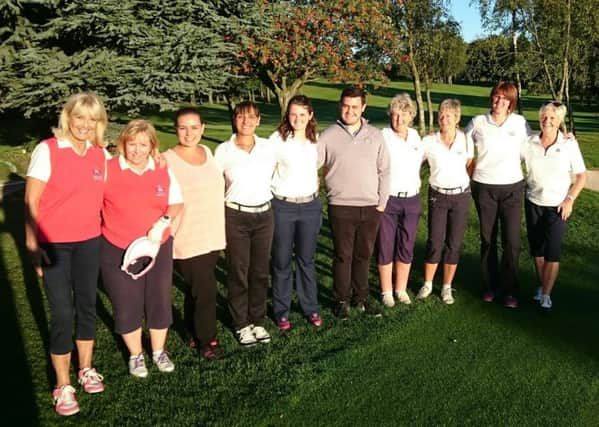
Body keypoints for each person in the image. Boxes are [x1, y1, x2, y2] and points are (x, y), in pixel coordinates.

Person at [25, 92, 108, 416]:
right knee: (62, 313)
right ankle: (63, 384)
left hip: (90, 241)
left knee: (87, 307)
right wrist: (33, 246)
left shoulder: (99, 155)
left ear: (98, 122)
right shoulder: (48, 150)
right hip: (54, 246)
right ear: (68, 117)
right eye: (79, 117)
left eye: (92, 119)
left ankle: (85, 368)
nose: (85, 125)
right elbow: (31, 202)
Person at [100, 119, 183, 378]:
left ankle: (158, 351)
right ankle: (136, 356)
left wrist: (163, 223)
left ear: (152, 146)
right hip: (117, 246)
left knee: (159, 299)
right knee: (126, 302)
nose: (136, 150)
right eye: (131, 144)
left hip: (157, 246)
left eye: (143, 144)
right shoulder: (107, 169)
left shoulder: (161, 168)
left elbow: (176, 202)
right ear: (123, 144)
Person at [318, 86, 390, 319]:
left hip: (370, 207)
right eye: (346, 106)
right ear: (341, 105)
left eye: (355, 107)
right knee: (343, 255)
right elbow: (313, 166)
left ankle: (361, 298)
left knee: (363, 255)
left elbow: (385, 171)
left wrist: (381, 204)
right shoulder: (328, 136)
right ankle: (341, 300)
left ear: (363, 108)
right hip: (341, 206)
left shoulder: (375, 135)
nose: (350, 111)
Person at [163, 107, 226, 360]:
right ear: (175, 129)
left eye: (194, 127)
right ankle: (207, 340)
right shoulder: (165, 159)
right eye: (182, 127)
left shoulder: (208, 153)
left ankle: (191, 331)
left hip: (212, 234)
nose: (189, 133)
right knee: (206, 291)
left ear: (203, 128)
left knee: (195, 290)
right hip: (187, 237)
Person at [214, 101, 276, 346]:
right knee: (238, 272)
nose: (246, 122)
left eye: (251, 117)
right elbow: (215, 184)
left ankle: (258, 321)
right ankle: (241, 323)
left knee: (260, 272)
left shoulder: (268, 147)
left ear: (259, 121)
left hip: (264, 215)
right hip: (235, 216)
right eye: (241, 117)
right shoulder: (223, 151)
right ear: (235, 120)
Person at [465, 81, 531, 308]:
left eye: (505, 98)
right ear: (491, 98)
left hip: (512, 188)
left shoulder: (520, 122)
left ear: (511, 102)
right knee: (488, 239)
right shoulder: (478, 122)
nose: (499, 101)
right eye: (496, 96)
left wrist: (564, 137)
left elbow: (533, 147)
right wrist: (473, 174)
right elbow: (461, 148)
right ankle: (491, 286)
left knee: (512, 242)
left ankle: (511, 289)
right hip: (484, 188)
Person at [521, 101, 586, 310]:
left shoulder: (568, 144)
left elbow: (581, 176)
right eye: (544, 117)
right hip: (533, 201)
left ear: (559, 121)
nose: (547, 121)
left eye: (552, 118)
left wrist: (570, 199)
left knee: (552, 251)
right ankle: (543, 286)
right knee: (537, 251)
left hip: (558, 206)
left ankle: (546, 295)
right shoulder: (529, 142)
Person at [270, 95, 323, 331]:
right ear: (287, 115)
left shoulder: (316, 140)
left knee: (306, 259)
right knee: (281, 261)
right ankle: (282, 311)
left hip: (310, 207)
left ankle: (310, 307)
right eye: (293, 114)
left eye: (303, 114)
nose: (297, 119)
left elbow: (318, 167)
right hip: (283, 207)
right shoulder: (277, 140)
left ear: (310, 115)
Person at [417, 99, 473, 304]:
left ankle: (447, 287)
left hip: (460, 196)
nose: (444, 119)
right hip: (437, 195)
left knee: (454, 243)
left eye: (449, 115)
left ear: (457, 118)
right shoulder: (429, 141)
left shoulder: (466, 139)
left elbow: (470, 164)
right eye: (441, 115)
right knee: (435, 241)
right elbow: (412, 160)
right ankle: (428, 283)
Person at [377, 93, 423, 307]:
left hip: (411, 199)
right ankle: (387, 291)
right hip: (389, 199)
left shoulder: (415, 136)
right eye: (395, 115)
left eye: (404, 115)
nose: (399, 120)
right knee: (386, 244)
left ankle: (400, 289)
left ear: (411, 116)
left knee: (406, 244)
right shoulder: (383, 136)